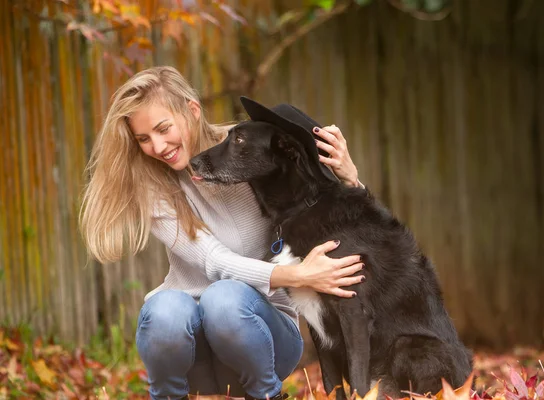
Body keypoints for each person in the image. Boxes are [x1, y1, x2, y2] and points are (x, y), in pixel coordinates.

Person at [79, 66, 365, 400]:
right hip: (194, 358)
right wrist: (298, 275)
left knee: (225, 299)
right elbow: (215, 260)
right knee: (164, 311)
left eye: (163, 128)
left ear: (192, 110)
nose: (157, 146)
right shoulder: (153, 187)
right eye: (144, 139)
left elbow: (328, 212)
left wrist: (349, 178)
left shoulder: (252, 146)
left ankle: (267, 396)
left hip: (265, 341)